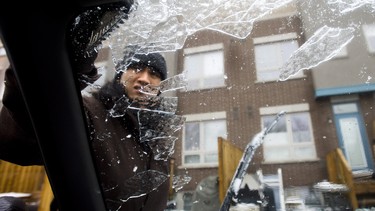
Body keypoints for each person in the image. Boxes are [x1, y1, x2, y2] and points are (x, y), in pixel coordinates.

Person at [0, 51, 173, 211]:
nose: (144, 78)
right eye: (136, 68)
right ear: (120, 75)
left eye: (154, 74)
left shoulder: (158, 137)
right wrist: (59, 67)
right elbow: (25, 135)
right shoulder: (90, 112)